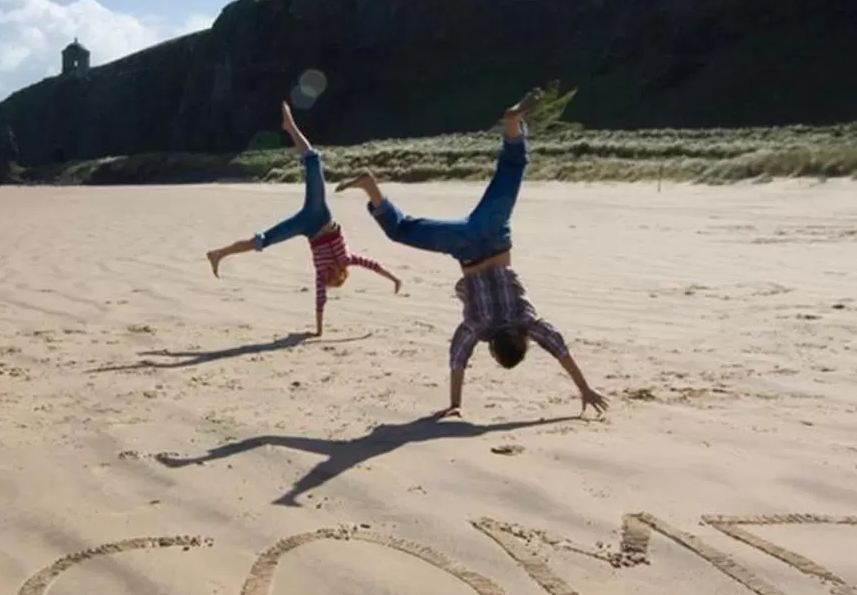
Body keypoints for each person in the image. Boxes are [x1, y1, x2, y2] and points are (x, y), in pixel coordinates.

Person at [337, 88, 608, 419]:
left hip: (493, 234)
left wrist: (585, 388)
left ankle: (512, 124)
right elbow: (458, 359)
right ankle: (371, 187)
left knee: (511, 170)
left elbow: (560, 349)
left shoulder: (527, 322)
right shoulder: (478, 327)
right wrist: (455, 405)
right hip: (464, 246)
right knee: (401, 229)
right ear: (493, 350)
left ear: (522, 340)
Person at [208, 99, 400, 336]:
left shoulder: (324, 272)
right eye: (332, 280)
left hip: (308, 225)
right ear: (339, 275)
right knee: (313, 159)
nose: (327, 281)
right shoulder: (347, 260)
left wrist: (319, 331)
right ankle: (290, 127)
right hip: (318, 215)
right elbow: (373, 266)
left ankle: (219, 253)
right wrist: (393, 279)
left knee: (261, 240)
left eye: (328, 282)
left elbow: (320, 303)